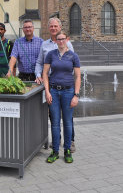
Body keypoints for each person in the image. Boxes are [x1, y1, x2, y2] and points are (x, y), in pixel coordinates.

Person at [35, 17, 76, 152]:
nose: (53, 28)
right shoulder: (44, 45)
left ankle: (70, 142)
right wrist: (38, 75)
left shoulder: (67, 44)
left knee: (68, 117)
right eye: (51, 26)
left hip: (65, 86)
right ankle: (56, 141)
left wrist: (75, 91)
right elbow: (39, 63)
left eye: (55, 26)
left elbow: (73, 64)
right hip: (51, 85)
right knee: (54, 116)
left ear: (60, 27)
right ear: (48, 28)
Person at [42, 31, 81, 164]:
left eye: (63, 39)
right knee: (55, 123)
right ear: (56, 40)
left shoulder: (73, 56)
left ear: (67, 39)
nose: (60, 41)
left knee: (68, 122)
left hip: (68, 92)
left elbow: (78, 76)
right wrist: (47, 92)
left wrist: (76, 95)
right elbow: (45, 73)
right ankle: (55, 152)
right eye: (58, 39)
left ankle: (67, 150)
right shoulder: (50, 55)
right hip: (53, 91)